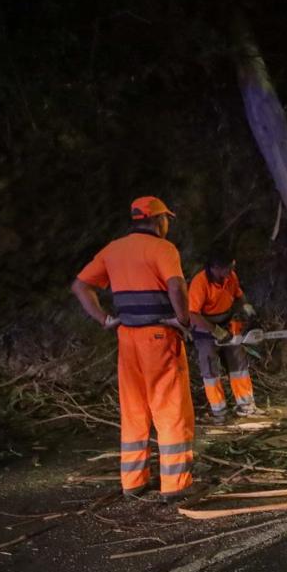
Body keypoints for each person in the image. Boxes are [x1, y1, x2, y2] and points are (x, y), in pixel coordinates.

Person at [71, 196, 195, 500]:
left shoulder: (113, 249)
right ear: (157, 220)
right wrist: (183, 319)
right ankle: (175, 486)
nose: (167, 225)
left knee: (134, 411)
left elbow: (80, 286)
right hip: (159, 338)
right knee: (170, 410)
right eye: (166, 219)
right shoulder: (162, 248)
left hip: (127, 338)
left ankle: (133, 482)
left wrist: (104, 319)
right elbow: (176, 285)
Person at [188, 250, 260, 421]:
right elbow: (193, 314)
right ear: (215, 268)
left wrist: (247, 308)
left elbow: (239, 295)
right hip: (204, 328)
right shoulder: (201, 283)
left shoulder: (230, 277)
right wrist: (215, 331)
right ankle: (219, 412)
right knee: (211, 370)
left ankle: (246, 405)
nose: (230, 271)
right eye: (227, 268)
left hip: (226, 323)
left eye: (231, 267)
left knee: (238, 365)